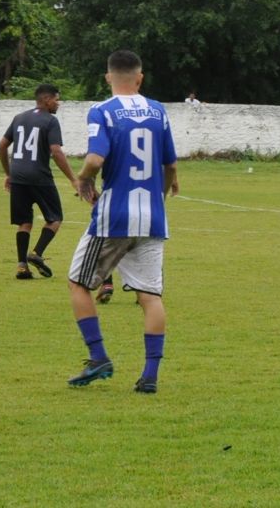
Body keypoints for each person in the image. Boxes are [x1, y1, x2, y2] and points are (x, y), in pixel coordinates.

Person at [65, 50, 179, 394]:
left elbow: (95, 158)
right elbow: (171, 165)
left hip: (114, 217)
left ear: (107, 77)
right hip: (153, 219)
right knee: (150, 296)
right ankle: (150, 376)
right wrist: (162, 195)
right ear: (140, 78)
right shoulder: (158, 110)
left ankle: (99, 357)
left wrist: (83, 178)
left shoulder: (102, 110)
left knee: (78, 283)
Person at [0, 84, 78, 280]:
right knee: (55, 218)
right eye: (56, 99)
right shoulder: (50, 120)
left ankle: (22, 267)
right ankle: (36, 253)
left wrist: (9, 174)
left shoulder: (19, 118)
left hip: (18, 178)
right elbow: (56, 151)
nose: (58, 103)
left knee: (24, 222)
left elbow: (1, 146)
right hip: (39, 177)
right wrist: (73, 179)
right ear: (47, 100)